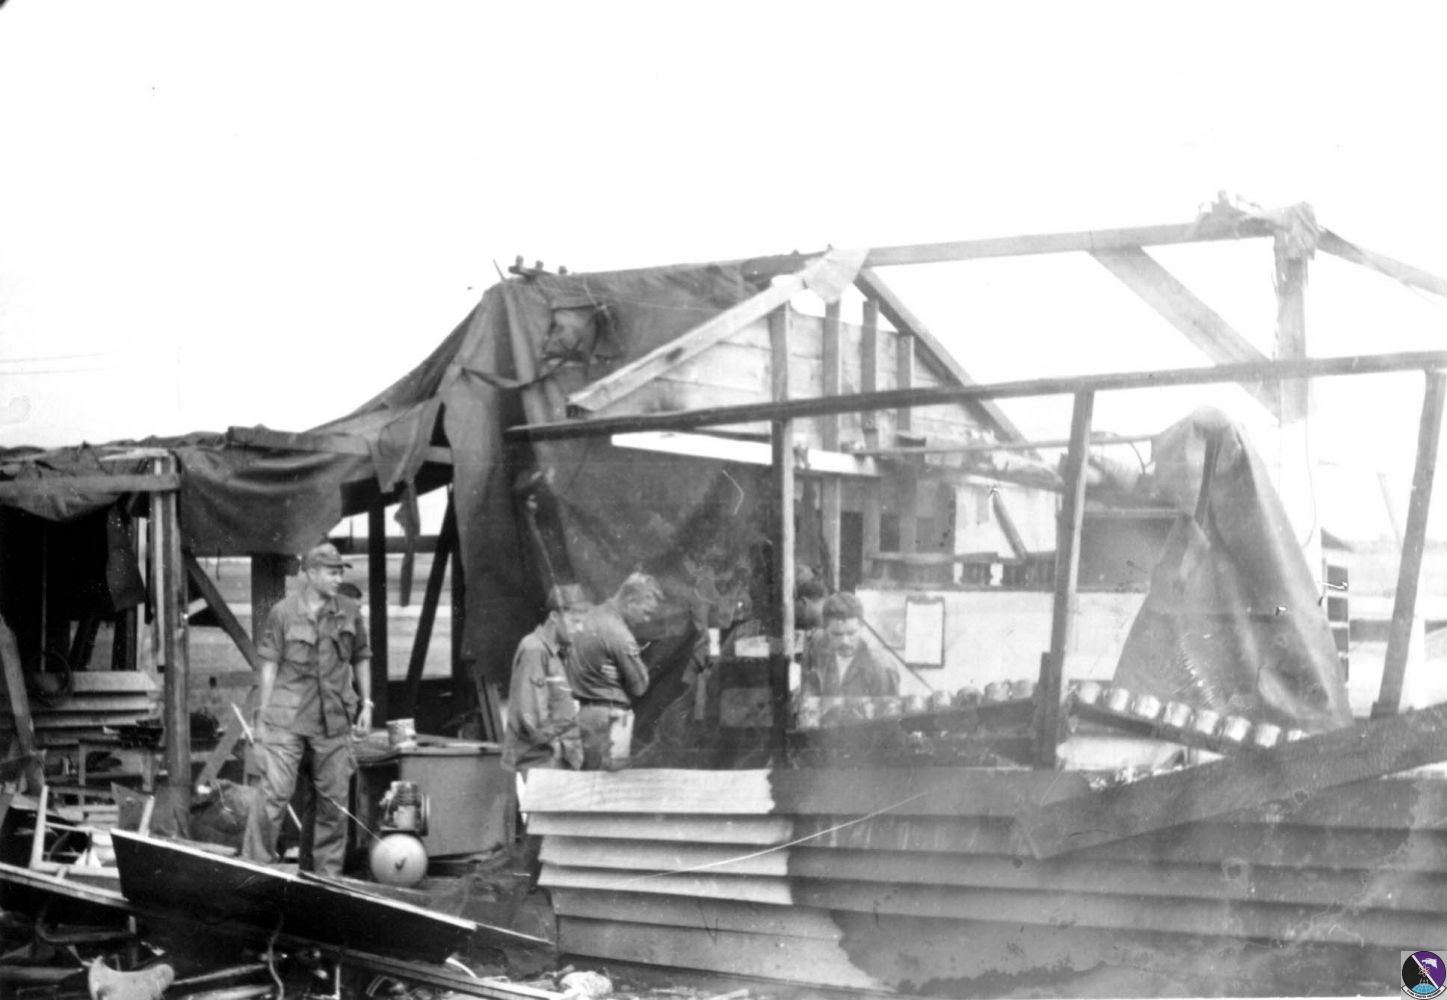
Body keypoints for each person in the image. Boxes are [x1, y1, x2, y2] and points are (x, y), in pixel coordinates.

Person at [242, 542, 372, 875]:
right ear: (310, 573)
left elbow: (361, 656)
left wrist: (367, 704)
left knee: (333, 805)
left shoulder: (350, 611)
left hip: (334, 720)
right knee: (274, 795)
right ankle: (255, 870)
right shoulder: (283, 612)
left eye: (341, 572)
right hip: (288, 718)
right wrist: (263, 716)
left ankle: (324, 878)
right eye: (332, 572)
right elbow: (269, 665)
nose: (338, 578)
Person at [565, 573, 662, 770]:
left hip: (585, 713)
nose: (646, 620)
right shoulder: (619, 633)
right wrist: (622, 674)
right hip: (610, 718)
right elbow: (640, 686)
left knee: (589, 776)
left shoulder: (591, 616)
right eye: (646, 613)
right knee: (612, 780)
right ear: (630, 601)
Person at [502, 584, 589, 772]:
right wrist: (557, 747)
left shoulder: (556, 652)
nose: (580, 628)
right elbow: (532, 716)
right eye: (575, 621)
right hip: (541, 761)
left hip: (553, 759)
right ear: (554, 616)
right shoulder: (535, 650)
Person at [801, 591, 899, 697]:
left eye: (851, 633)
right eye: (836, 634)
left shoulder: (882, 668)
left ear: (862, 626)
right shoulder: (815, 650)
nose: (844, 641)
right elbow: (807, 695)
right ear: (825, 629)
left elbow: (889, 707)